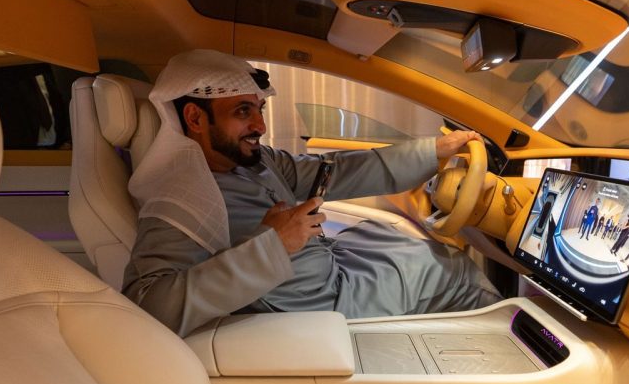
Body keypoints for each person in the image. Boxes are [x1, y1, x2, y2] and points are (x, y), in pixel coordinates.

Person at [124, 50, 502, 336]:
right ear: (195, 118)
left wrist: (431, 152)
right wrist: (271, 245)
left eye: (259, 109)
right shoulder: (180, 199)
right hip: (323, 304)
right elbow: (148, 307)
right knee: (453, 271)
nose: (260, 125)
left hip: (333, 268)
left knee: (393, 237)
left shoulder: (255, 161)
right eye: (242, 112)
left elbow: (333, 172)